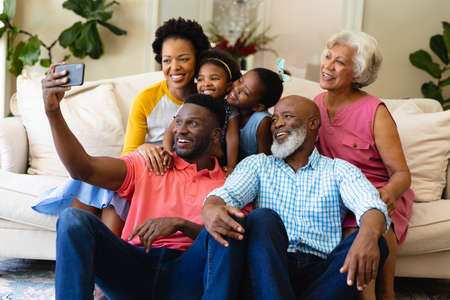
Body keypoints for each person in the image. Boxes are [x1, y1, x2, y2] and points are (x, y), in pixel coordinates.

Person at [42, 67, 245, 299]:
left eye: (193, 124)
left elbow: (234, 240)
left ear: (215, 134)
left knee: (227, 227)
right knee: (72, 219)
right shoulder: (150, 162)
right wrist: (53, 112)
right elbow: (83, 169)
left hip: (187, 275)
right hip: (133, 267)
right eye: (178, 122)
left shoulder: (230, 184)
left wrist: (180, 224)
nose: (180, 130)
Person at [33, 17, 211, 236]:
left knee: (111, 187)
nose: (174, 67)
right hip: (141, 165)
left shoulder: (207, 97)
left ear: (197, 60)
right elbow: (129, 153)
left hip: (167, 175)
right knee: (101, 184)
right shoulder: (146, 99)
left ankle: (102, 260)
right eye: (166, 61)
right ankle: (80, 255)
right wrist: (143, 148)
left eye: (183, 59)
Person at [202, 95, 390, 300]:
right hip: (269, 267)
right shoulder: (258, 165)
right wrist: (211, 205)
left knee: (376, 241)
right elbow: (227, 195)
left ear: (312, 123)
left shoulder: (339, 170)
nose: (277, 124)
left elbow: (371, 205)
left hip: (321, 274)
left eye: (287, 116)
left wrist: (368, 236)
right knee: (262, 218)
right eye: (274, 119)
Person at [313, 30, 413, 300]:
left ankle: (384, 292)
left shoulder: (374, 111)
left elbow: (402, 174)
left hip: (377, 188)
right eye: (328, 57)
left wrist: (389, 194)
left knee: (364, 228)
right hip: (337, 192)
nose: (328, 66)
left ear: (357, 73)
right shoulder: (314, 106)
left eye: (340, 62)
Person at [158, 49, 242, 176]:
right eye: (201, 79)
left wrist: (231, 166)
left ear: (228, 86)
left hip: (212, 156)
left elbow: (232, 139)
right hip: (183, 152)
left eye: (214, 78)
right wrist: (168, 151)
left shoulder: (230, 109)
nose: (206, 83)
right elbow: (170, 132)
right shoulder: (190, 105)